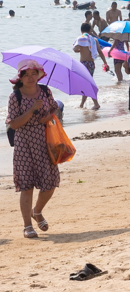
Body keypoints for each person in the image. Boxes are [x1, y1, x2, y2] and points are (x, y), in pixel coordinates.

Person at [7, 60, 60, 239]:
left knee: (50, 182)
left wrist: (48, 117)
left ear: (39, 75)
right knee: (26, 185)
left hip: (45, 141)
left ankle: (36, 211)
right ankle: (27, 225)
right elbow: (14, 124)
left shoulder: (45, 91)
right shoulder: (15, 97)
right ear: (20, 78)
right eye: (26, 75)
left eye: (33, 74)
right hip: (24, 144)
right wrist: (31, 110)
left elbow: (54, 108)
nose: (30, 78)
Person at [72, 23, 106, 110]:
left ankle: (95, 103)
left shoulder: (81, 39)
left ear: (81, 30)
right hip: (91, 64)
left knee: (87, 84)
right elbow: (100, 52)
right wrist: (105, 62)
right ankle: (82, 104)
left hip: (83, 64)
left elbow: (75, 49)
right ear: (90, 30)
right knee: (86, 83)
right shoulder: (94, 40)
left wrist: (80, 49)